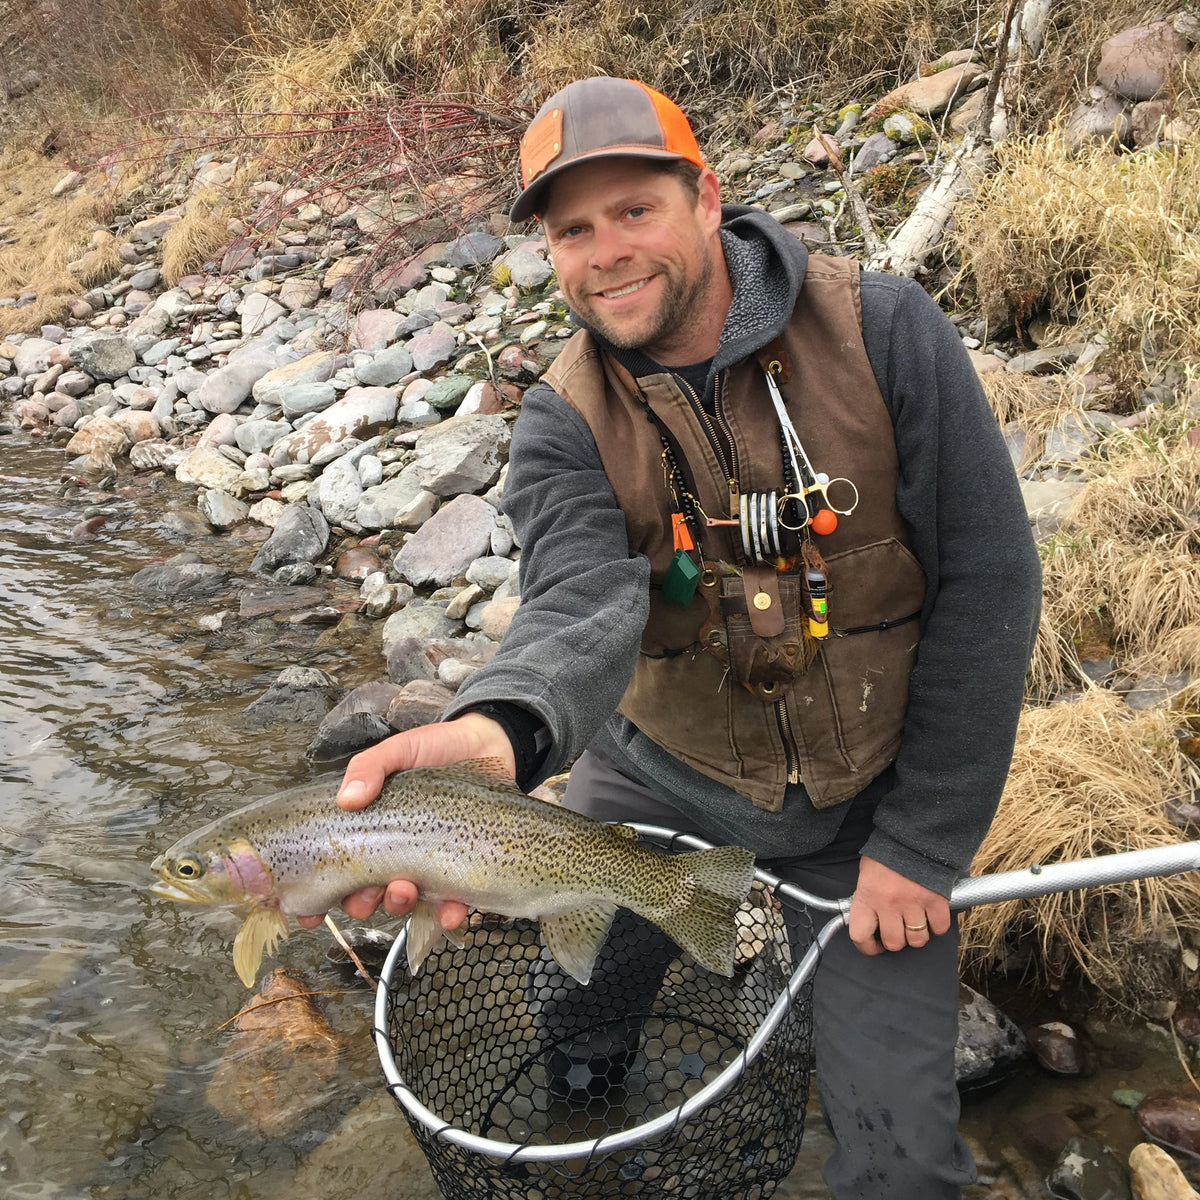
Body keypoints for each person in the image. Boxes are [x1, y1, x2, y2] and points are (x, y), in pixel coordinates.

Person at [302, 76, 1042, 1198]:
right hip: (653, 780)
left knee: (906, 1167)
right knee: (579, 1023)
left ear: (705, 197)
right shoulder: (562, 419)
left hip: (869, 811)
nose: (605, 254)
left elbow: (991, 583)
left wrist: (924, 846)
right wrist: (499, 732)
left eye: (633, 211)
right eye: (573, 231)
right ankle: (591, 1100)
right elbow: (577, 603)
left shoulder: (884, 331)